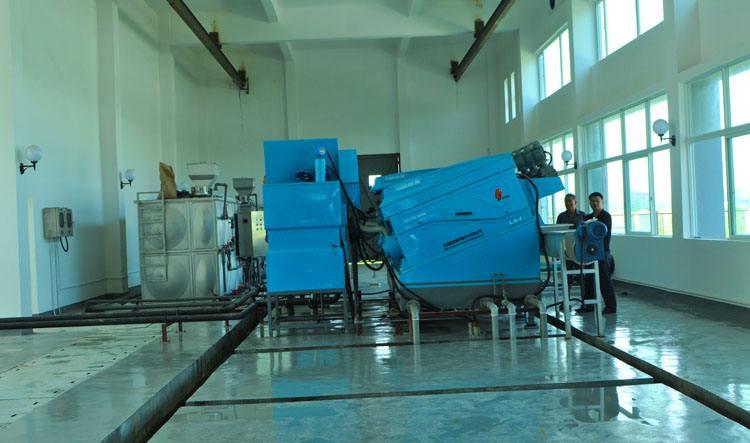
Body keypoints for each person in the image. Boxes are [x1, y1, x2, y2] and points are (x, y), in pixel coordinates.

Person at [579, 192, 617, 314]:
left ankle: (611, 306)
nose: (595, 203)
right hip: (589, 252)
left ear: (601, 202)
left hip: (602, 251)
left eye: (597, 201)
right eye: (592, 201)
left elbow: (600, 233)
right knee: (589, 279)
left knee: (604, 279)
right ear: (589, 202)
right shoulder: (587, 217)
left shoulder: (606, 216)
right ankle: (589, 306)